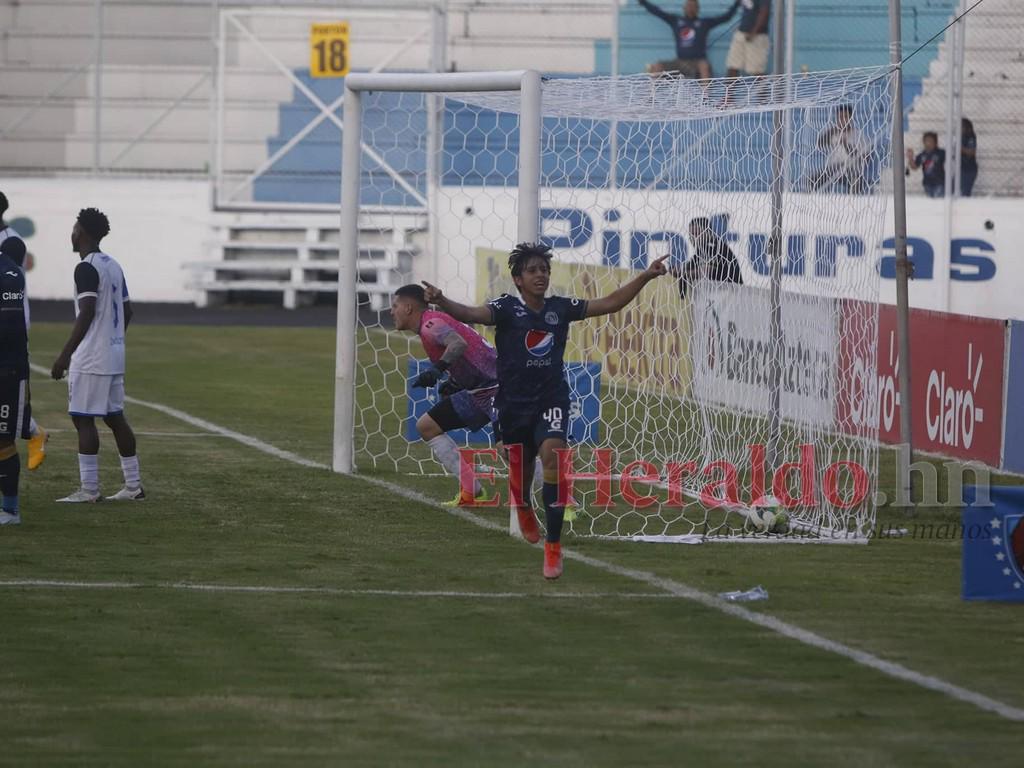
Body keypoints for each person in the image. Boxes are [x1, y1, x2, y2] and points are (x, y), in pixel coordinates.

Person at [423, 243, 669, 580]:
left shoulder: (560, 308)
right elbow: (469, 314)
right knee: (521, 468)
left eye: (544, 270)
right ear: (518, 279)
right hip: (512, 405)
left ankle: (553, 546)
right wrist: (442, 300)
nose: (541, 275)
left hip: (551, 400)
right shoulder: (506, 308)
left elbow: (610, 303)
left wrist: (645, 276)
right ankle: (523, 504)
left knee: (553, 458)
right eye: (532, 270)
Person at [50, 208, 144, 502]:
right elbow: (127, 311)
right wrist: (113, 339)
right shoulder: (113, 265)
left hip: (91, 358)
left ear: (83, 233)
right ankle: (133, 486)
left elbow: (87, 311)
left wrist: (65, 355)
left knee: (83, 419)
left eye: (75, 228)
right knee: (115, 417)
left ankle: (89, 490)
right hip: (114, 354)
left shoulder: (86, 267)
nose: (72, 233)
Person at [391, 284, 499, 506]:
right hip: (478, 391)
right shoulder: (431, 323)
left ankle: (564, 501)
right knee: (427, 426)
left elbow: (458, 344)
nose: (391, 311)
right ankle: (472, 491)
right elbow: (469, 353)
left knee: (508, 450)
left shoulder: (430, 325)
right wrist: (454, 381)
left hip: (500, 389)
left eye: (395, 306)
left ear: (408, 308)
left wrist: (437, 369)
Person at [0, 191, 47, 470]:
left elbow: (11, 285)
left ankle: (31, 433)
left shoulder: (12, 241)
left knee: (8, 390)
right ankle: (33, 431)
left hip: (10, 323)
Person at [0, 238, 31, 525]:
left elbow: (9, 325)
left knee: (3, 440)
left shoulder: (9, 273)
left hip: (7, 370)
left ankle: (10, 510)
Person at [638, 0, 740, 79]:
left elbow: (726, 17)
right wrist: (643, 2)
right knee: (656, 66)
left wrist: (738, 3)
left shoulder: (704, 23)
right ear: (684, 8)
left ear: (698, 9)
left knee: (704, 66)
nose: (690, 8)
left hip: (697, 63)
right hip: (679, 62)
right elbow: (658, 12)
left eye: (693, 6)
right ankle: (651, 97)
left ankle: (705, 97)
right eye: (688, 6)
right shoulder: (676, 21)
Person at [673, 217, 744, 299]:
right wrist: (676, 271)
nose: (693, 238)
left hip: (732, 296)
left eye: (696, 234)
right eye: (691, 235)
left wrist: (684, 274)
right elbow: (687, 268)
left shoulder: (714, 246)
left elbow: (706, 271)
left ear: (708, 232)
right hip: (721, 296)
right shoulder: (700, 252)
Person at [811, 104, 870, 194]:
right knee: (812, 180)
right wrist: (833, 130)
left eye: (845, 117)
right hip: (833, 169)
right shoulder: (833, 133)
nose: (843, 120)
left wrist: (846, 145)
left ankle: (854, 200)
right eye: (840, 117)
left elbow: (864, 158)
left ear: (851, 118)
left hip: (851, 170)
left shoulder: (859, 136)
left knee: (857, 182)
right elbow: (819, 144)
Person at [725, 0, 770, 79]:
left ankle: (765, 87)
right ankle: (729, 87)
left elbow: (764, 12)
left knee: (756, 70)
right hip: (741, 33)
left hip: (757, 36)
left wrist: (754, 32)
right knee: (732, 66)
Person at [906, 131, 946, 198]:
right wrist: (910, 158)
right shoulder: (922, 155)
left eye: (930, 141)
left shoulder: (940, 153)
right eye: (926, 141)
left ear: (935, 142)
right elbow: (915, 167)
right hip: (927, 183)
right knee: (930, 200)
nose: (928, 143)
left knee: (938, 199)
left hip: (939, 182)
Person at [960, 117, 978, 197]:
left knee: (965, 192)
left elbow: (971, 152)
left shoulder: (970, 137)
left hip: (968, 168)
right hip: (960, 168)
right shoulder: (959, 137)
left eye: (961, 127)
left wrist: (960, 149)